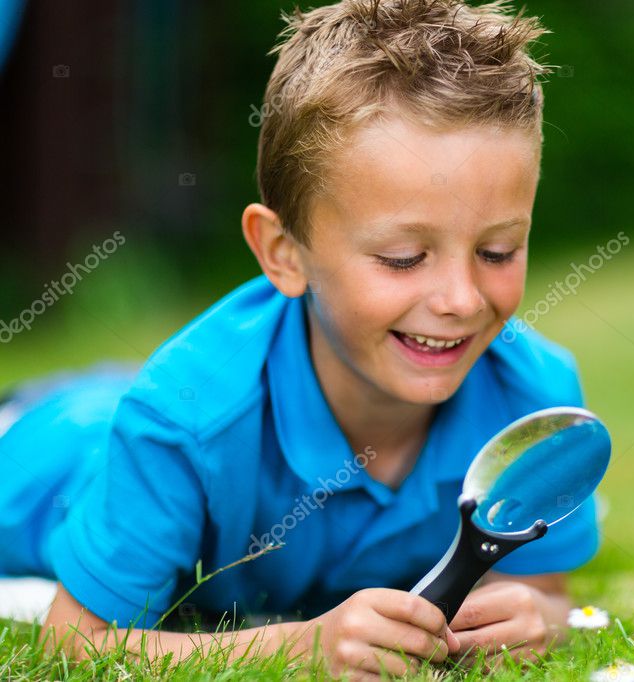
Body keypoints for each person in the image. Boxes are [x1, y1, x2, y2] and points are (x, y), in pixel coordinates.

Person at [0, 0, 601, 678]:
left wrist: (532, 615)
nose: (461, 300)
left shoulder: (535, 402)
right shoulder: (177, 425)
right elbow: (72, 647)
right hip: (42, 446)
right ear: (284, 253)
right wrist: (299, 643)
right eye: (404, 257)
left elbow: (546, 592)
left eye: (497, 251)